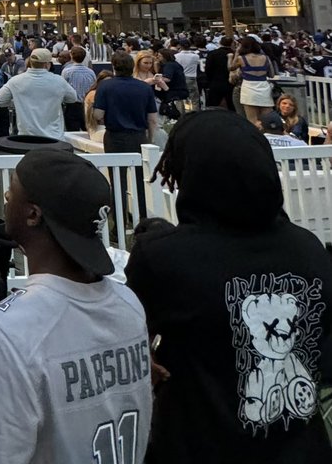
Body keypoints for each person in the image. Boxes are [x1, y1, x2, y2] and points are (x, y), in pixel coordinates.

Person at [127, 112, 332, 462]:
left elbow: (127, 341)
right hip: (300, 447)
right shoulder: (309, 247)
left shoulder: (163, 256)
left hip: (201, 446)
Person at [0, 148, 152, 464]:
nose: (4, 199)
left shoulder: (11, 330)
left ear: (32, 214)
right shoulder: (129, 305)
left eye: (10, 193)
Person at [0, 48, 80, 139]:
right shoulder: (59, 81)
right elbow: (73, 98)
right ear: (47, 64)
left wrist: (17, 102)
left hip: (26, 138)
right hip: (54, 138)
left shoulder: (15, 81)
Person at [232, 35, 277, 124]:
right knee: (267, 120)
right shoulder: (265, 57)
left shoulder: (242, 58)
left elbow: (231, 67)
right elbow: (272, 74)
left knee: (252, 120)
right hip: (264, 87)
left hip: (248, 88)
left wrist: (234, 54)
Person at [60, 46, 96, 133]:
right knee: (88, 132)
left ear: (71, 56)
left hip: (72, 105)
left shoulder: (67, 71)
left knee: (72, 133)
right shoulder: (91, 72)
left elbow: (63, 88)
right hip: (87, 105)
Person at [203, 34, 234, 110]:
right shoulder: (235, 53)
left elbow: (208, 69)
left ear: (220, 42)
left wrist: (209, 81)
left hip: (215, 82)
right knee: (232, 106)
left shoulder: (213, 53)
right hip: (231, 83)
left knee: (212, 106)